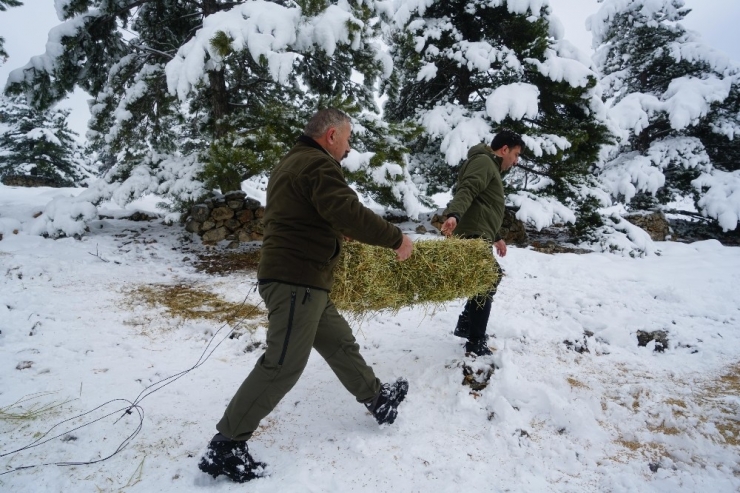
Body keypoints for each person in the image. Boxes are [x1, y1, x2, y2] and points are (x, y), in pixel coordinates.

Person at [198, 108, 414, 483]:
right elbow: (348, 210)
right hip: (297, 280)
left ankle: (377, 399)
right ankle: (226, 444)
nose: (348, 147)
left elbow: (309, 214)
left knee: (339, 342)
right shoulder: (317, 164)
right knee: (282, 364)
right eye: (347, 138)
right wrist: (396, 238)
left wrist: (333, 231)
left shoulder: (295, 162)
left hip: (304, 279)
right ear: (331, 135)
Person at [440, 130, 524, 357]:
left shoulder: (490, 166)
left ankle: (467, 326)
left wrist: (496, 235)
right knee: (487, 280)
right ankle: (475, 340)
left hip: (481, 233)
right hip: (472, 235)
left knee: (487, 279)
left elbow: (484, 205)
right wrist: (454, 214)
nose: (516, 161)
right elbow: (468, 189)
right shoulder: (484, 163)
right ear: (504, 149)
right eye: (515, 155)